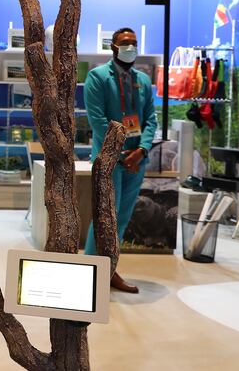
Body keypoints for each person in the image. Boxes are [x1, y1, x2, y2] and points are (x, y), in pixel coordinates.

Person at [83, 28, 157, 293]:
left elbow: (150, 119)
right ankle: (91, 274)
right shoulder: (98, 77)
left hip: (136, 161)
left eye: (134, 43)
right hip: (109, 160)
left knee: (122, 218)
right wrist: (123, 152)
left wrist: (143, 150)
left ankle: (110, 271)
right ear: (113, 46)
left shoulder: (144, 81)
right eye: (125, 43)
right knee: (104, 217)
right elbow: (98, 121)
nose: (130, 47)